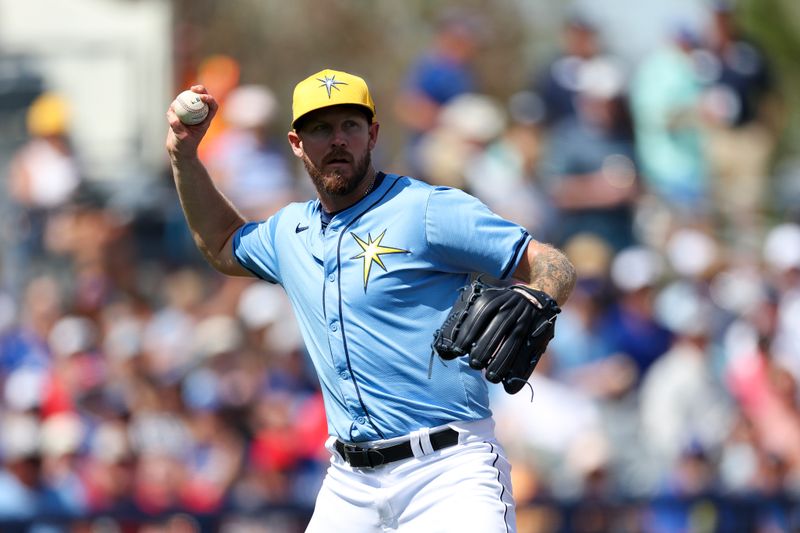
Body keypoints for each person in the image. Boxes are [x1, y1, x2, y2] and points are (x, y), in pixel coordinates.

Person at [166, 68, 576, 532]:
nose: (337, 139)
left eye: (350, 126)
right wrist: (183, 153)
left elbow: (554, 263)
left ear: (373, 134)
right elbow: (221, 244)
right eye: (321, 128)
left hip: (447, 471)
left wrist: (539, 295)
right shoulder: (288, 232)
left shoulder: (426, 208)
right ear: (297, 142)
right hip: (348, 484)